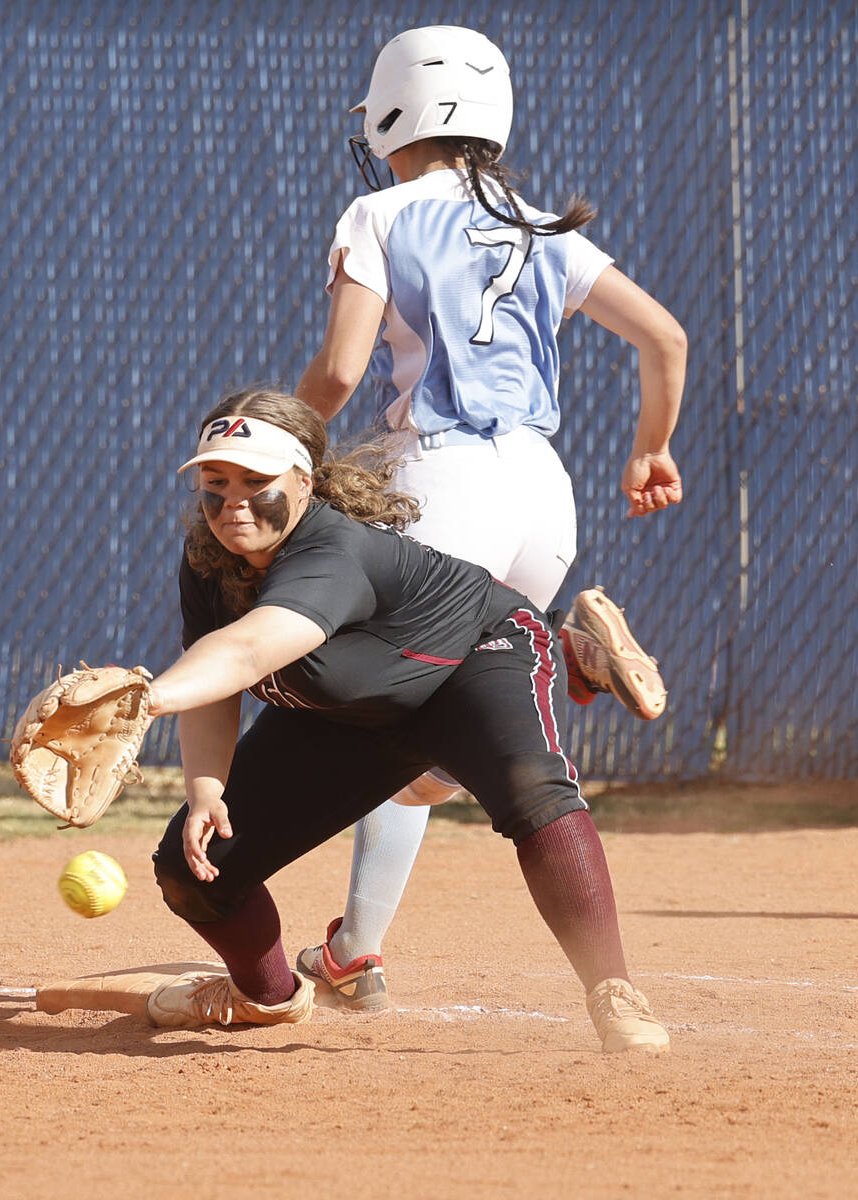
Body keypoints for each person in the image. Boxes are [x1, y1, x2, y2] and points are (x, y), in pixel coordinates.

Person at [37, 388, 669, 1053]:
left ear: (304, 482)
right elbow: (215, 676)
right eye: (214, 482)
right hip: (353, 713)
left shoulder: (330, 551)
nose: (232, 501)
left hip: (472, 660)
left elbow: (250, 648)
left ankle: (614, 992)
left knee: (526, 784)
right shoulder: (208, 561)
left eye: (257, 480)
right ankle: (266, 998)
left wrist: (148, 698)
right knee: (195, 869)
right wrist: (205, 791)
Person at [292, 25, 688, 1009]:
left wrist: (285, 442)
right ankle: (352, 952)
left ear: (396, 114)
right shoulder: (542, 224)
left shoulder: (380, 211)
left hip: (438, 484)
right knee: (439, 741)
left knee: (369, 708)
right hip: (541, 498)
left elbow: (341, 371)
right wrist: (651, 448)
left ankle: (573, 652)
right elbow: (665, 337)